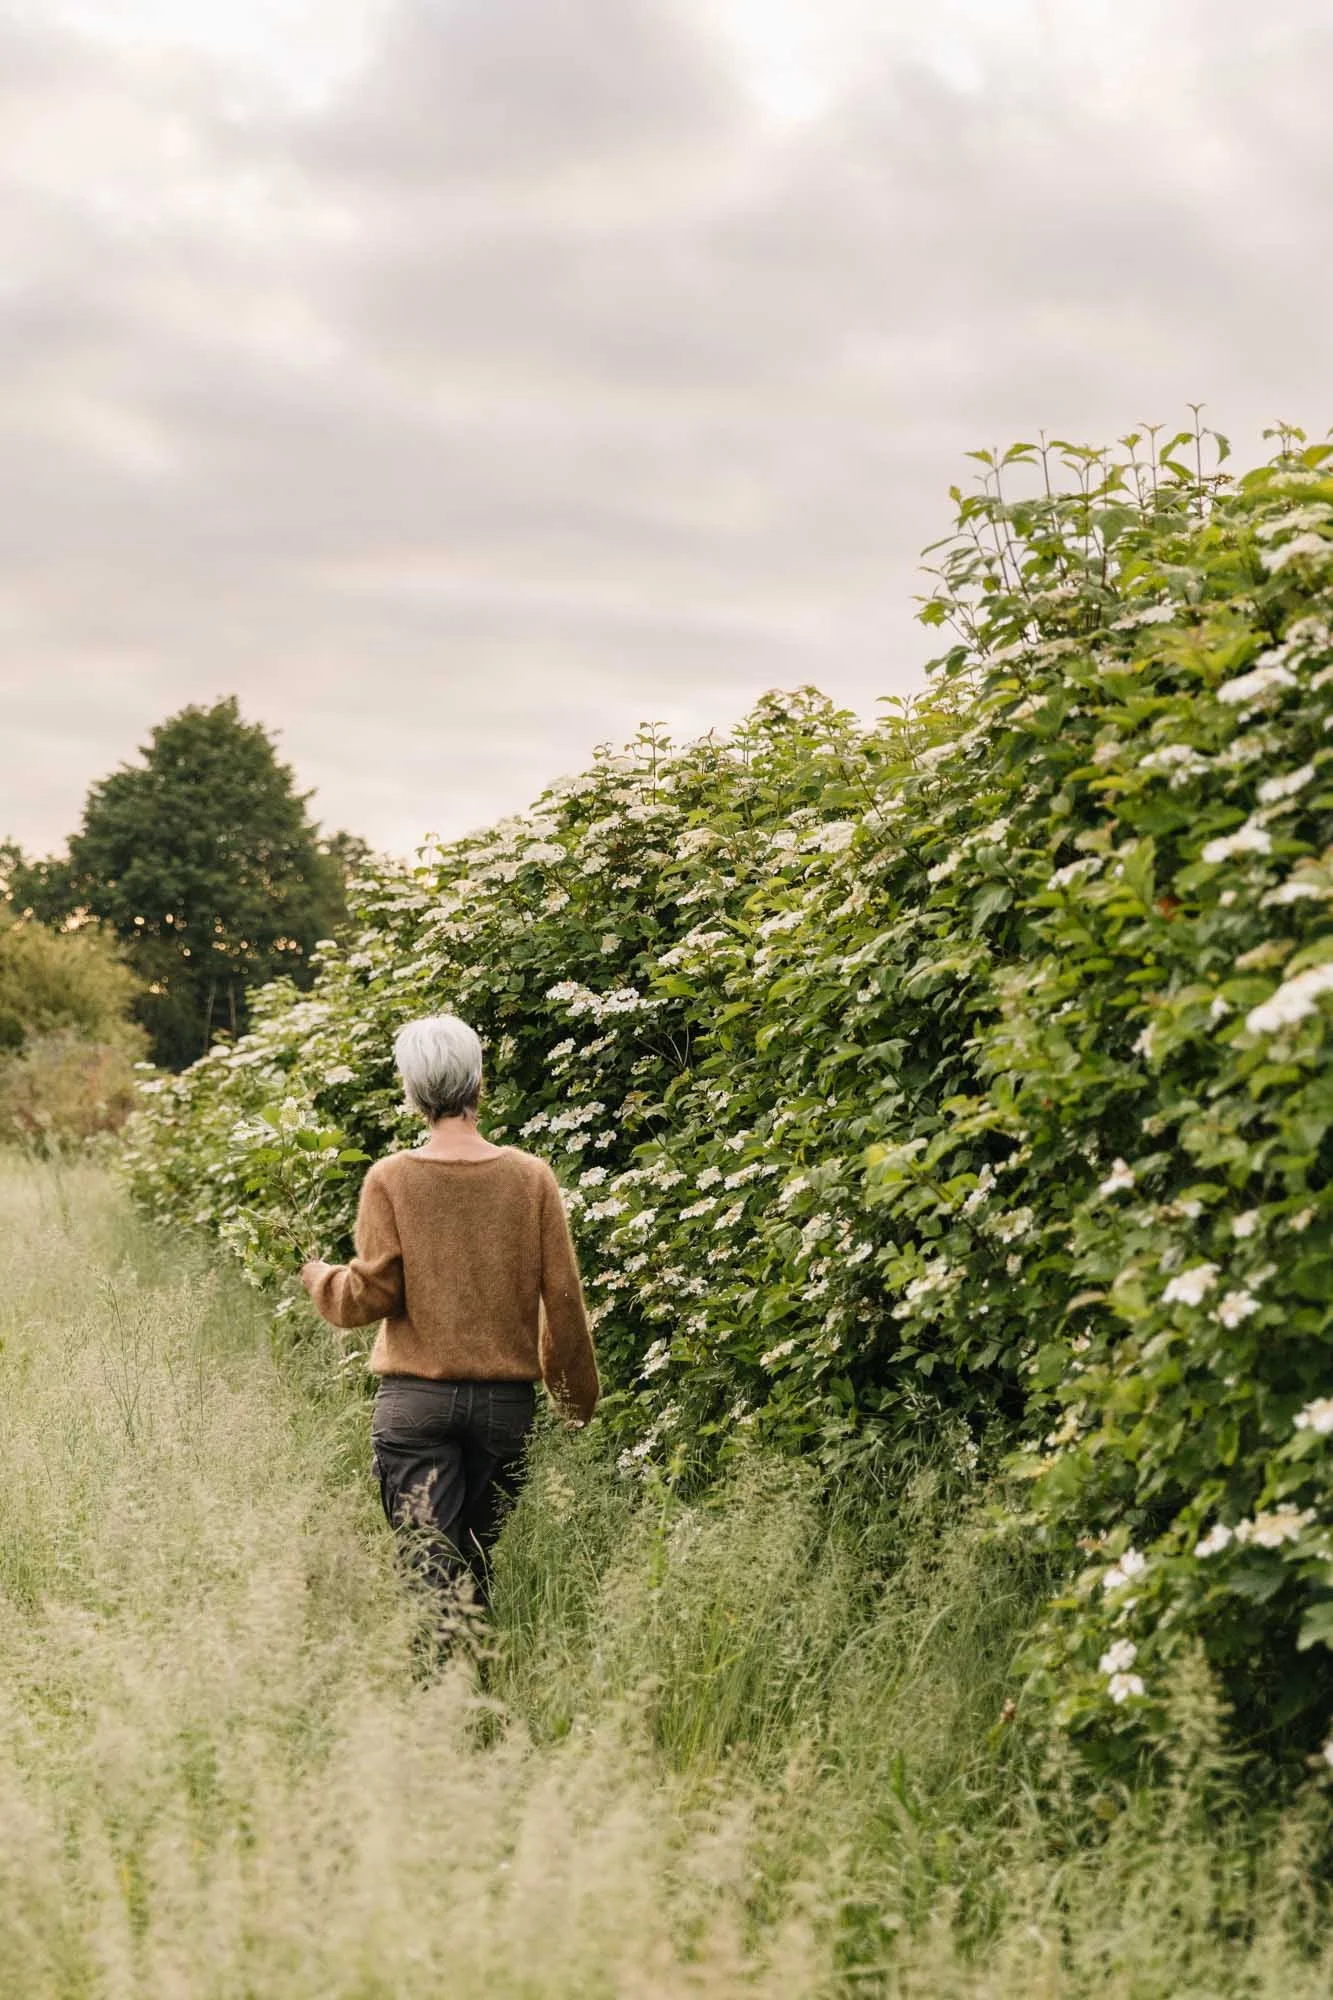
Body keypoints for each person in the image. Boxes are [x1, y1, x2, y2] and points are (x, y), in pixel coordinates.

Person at [300, 1013, 599, 1606]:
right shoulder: (531, 1178)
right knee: (473, 1563)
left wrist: (320, 1280)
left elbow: (373, 1295)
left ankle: (442, 1687)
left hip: (416, 1405)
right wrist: (574, 1397)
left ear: (412, 1093)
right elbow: (564, 1298)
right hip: (503, 1411)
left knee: (430, 1570)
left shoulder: (390, 1178)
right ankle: (473, 1683)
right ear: (478, 1082)